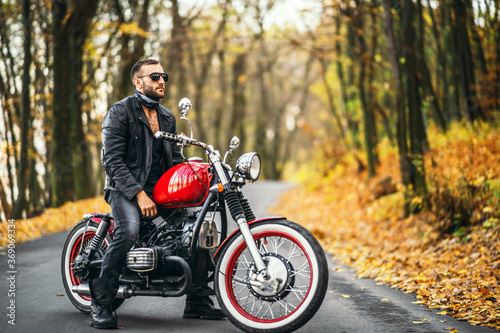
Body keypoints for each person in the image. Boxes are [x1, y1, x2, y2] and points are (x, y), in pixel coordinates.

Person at [93, 59, 224, 329]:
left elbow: (175, 160)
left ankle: (197, 300)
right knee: (128, 231)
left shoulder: (166, 116)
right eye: (154, 76)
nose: (161, 80)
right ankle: (102, 303)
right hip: (125, 189)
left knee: (197, 228)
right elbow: (112, 162)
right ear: (138, 81)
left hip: (160, 191)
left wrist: (192, 181)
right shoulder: (120, 112)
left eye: (163, 75)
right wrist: (139, 194)